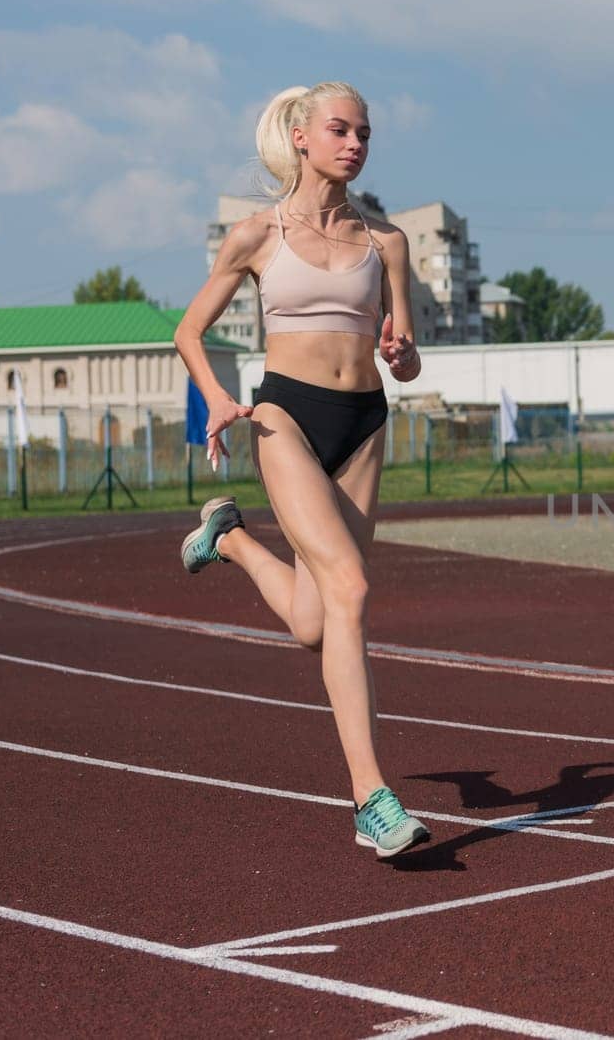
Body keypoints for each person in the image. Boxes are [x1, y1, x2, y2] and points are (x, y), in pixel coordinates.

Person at [172, 82, 429, 858]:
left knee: (317, 621)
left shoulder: (387, 242)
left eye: (365, 133)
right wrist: (219, 397)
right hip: (283, 417)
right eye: (340, 129)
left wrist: (401, 353)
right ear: (301, 135)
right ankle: (371, 799)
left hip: (364, 424)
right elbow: (190, 331)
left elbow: (410, 359)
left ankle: (234, 541)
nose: (355, 143)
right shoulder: (255, 236)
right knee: (349, 590)